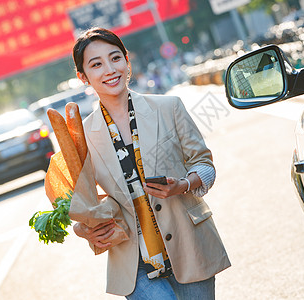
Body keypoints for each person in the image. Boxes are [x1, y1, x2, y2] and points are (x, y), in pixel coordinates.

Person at [71, 27, 231, 299]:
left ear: (127, 61)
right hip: (134, 261)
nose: (110, 69)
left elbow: (205, 165)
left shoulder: (169, 107)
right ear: (83, 77)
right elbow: (80, 201)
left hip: (189, 245)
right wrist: (83, 230)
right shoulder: (82, 138)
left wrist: (183, 184)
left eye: (115, 58)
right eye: (96, 64)